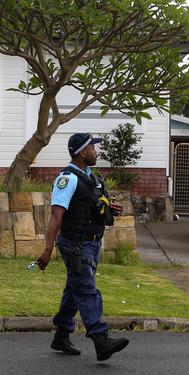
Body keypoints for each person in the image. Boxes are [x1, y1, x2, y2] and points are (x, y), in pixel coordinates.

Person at [37, 132, 129, 361]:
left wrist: (110, 209)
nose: (96, 151)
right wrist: (47, 250)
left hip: (91, 243)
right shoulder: (67, 179)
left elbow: (93, 206)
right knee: (87, 289)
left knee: (74, 289)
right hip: (76, 245)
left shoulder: (92, 178)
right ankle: (101, 339)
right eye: (92, 148)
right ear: (81, 152)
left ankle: (61, 335)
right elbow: (56, 216)